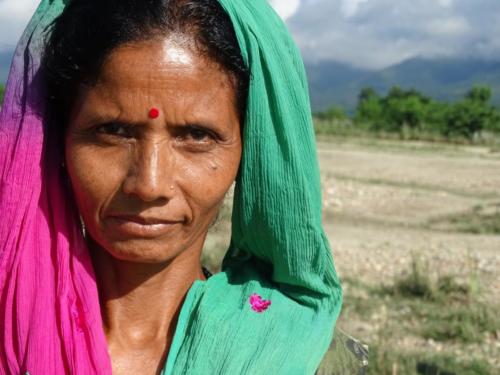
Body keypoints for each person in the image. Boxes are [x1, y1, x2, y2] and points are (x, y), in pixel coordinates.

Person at [0, 0, 343, 373]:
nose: (149, 185)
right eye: (113, 131)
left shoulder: (304, 358)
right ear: (56, 142)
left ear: (250, 152)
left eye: (196, 135)